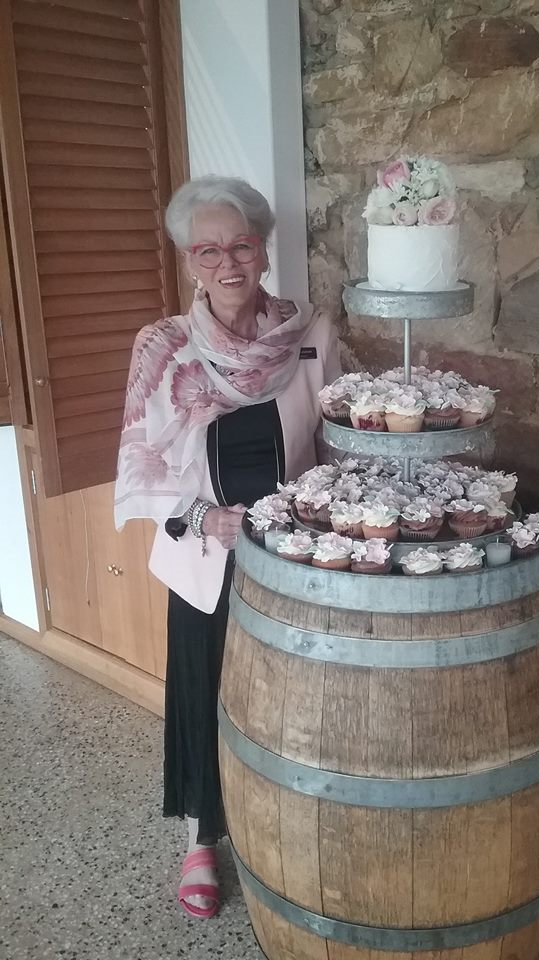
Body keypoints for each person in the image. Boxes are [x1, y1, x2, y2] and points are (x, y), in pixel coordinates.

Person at [114, 175, 341, 919]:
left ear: (263, 248)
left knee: (295, 697)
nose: (228, 263)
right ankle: (200, 839)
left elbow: (338, 443)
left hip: (293, 553)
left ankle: (289, 821)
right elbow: (141, 458)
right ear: (189, 261)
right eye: (207, 250)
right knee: (204, 690)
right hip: (205, 552)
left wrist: (328, 516)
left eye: (241, 245)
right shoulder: (164, 346)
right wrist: (204, 517)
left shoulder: (311, 336)